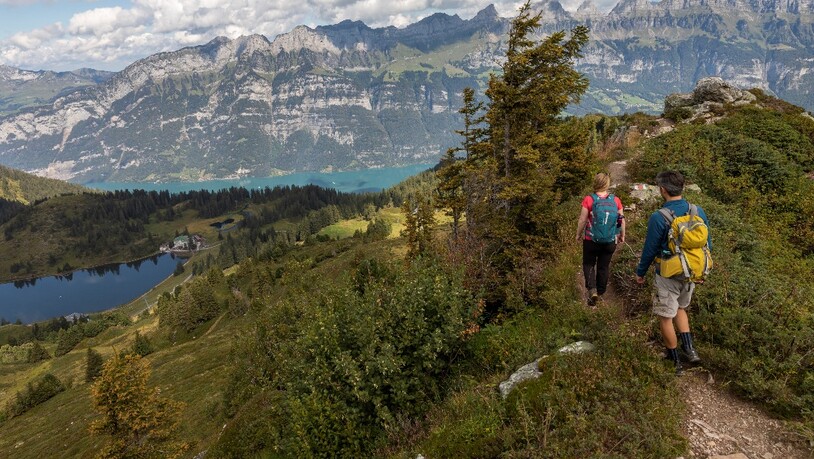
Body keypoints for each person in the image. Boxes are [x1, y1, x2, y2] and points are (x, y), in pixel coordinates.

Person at [636, 170, 710, 375]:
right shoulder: (697, 211)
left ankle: (675, 360)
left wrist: (640, 272)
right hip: (692, 271)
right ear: (682, 188)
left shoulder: (659, 217)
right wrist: (702, 270)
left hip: (668, 273)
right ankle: (690, 349)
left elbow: (650, 250)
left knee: (665, 316)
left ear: (662, 190)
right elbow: (707, 243)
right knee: (681, 309)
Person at [576, 173, 625, 306]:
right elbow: (621, 219)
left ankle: (592, 290)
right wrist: (621, 234)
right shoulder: (616, 200)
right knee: (603, 266)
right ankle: (601, 292)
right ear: (607, 184)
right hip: (610, 240)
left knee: (588, 264)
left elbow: (582, 220)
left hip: (591, 239)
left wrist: (578, 234)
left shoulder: (589, 199)